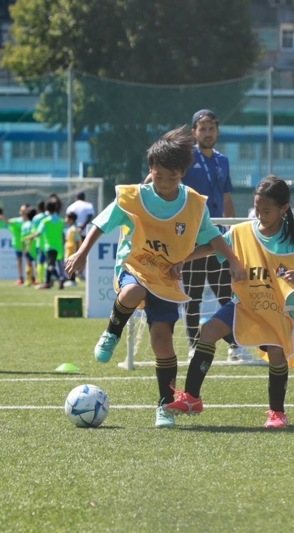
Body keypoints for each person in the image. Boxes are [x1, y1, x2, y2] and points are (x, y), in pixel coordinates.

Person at [64, 125, 245, 429]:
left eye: (172, 177)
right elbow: (100, 224)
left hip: (165, 279)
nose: (164, 182)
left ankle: (165, 405)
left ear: (182, 173)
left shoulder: (193, 204)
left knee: (162, 342)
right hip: (133, 266)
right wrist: (81, 254)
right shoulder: (134, 197)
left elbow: (213, 239)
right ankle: (112, 332)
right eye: (159, 175)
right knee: (133, 293)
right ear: (151, 170)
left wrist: (233, 261)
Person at [165, 176, 294, 430]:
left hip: (273, 309)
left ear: (284, 209)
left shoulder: (293, 240)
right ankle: (192, 398)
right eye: (257, 209)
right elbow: (214, 246)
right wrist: (184, 259)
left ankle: (277, 413)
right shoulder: (242, 231)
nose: (260, 214)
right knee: (209, 331)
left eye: (267, 210)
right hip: (243, 304)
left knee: (276, 354)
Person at [180, 109, 250, 362]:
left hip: (218, 238)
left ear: (217, 131)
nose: (208, 133)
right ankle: (194, 344)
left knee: (225, 293)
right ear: (194, 133)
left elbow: (227, 197)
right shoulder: (186, 159)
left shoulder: (223, 160)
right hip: (192, 238)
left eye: (211, 129)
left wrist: (231, 230)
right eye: (203, 129)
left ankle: (234, 345)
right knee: (192, 294)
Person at [30, 198, 66, 290]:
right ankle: (47, 283)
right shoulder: (61, 221)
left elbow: (38, 233)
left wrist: (31, 237)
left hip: (49, 247)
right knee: (51, 264)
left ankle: (60, 278)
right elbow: (63, 234)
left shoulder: (46, 221)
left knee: (50, 266)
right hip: (59, 247)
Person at [8, 204, 29, 286]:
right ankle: (21, 278)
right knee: (19, 261)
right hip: (18, 245)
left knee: (29, 262)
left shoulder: (31, 221)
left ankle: (31, 278)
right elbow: (8, 221)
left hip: (28, 245)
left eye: (25, 210)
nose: (23, 212)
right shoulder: (17, 220)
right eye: (22, 210)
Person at [64, 212, 81, 287]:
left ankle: (72, 280)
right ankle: (70, 279)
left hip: (72, 250)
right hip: (68, 250)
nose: (65, 220)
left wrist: (77, 252)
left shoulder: (74, 229)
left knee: (71, 265)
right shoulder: (70, 228)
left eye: (67, 218)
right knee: (68, 264)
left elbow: (77, 241)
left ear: (71, 219)